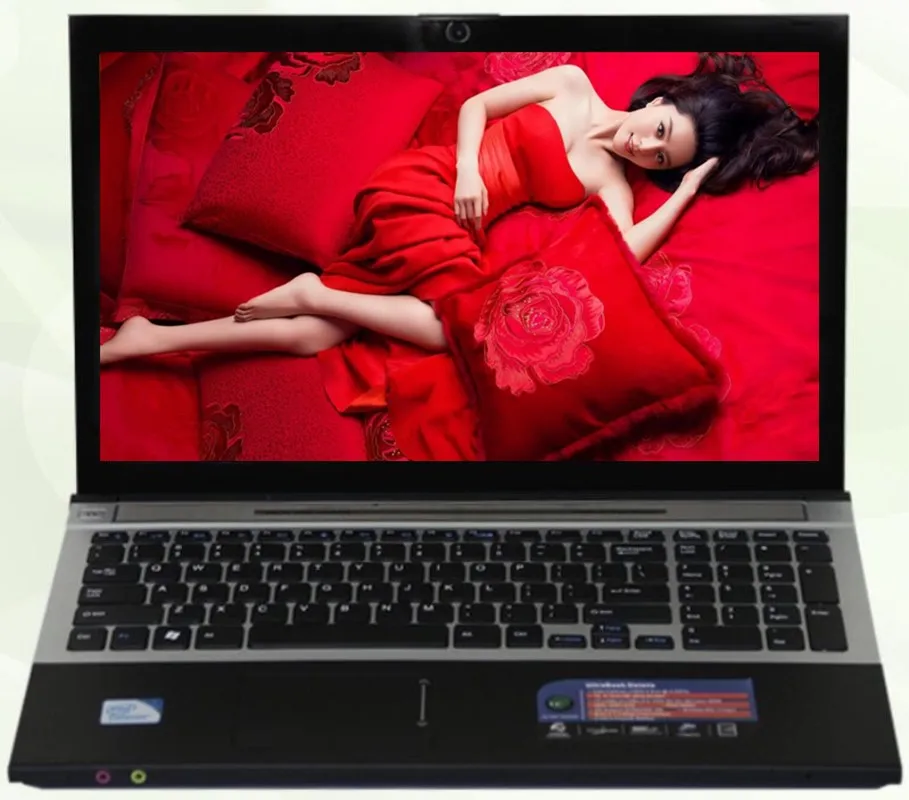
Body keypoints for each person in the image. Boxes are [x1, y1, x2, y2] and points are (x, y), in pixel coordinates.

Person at [100, 52, 819, 410]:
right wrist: (470, 170)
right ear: (660, 100)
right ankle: (313, 290)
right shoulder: (572, 83)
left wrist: (685, 191)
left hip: (449, 232)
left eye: (661, 158)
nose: (644, 147)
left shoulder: (613, 183)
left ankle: (152, 340)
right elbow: (478, 106)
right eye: (658, 131)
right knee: (462, 331)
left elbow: (624, 250)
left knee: (319, 338)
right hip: (428, 185)